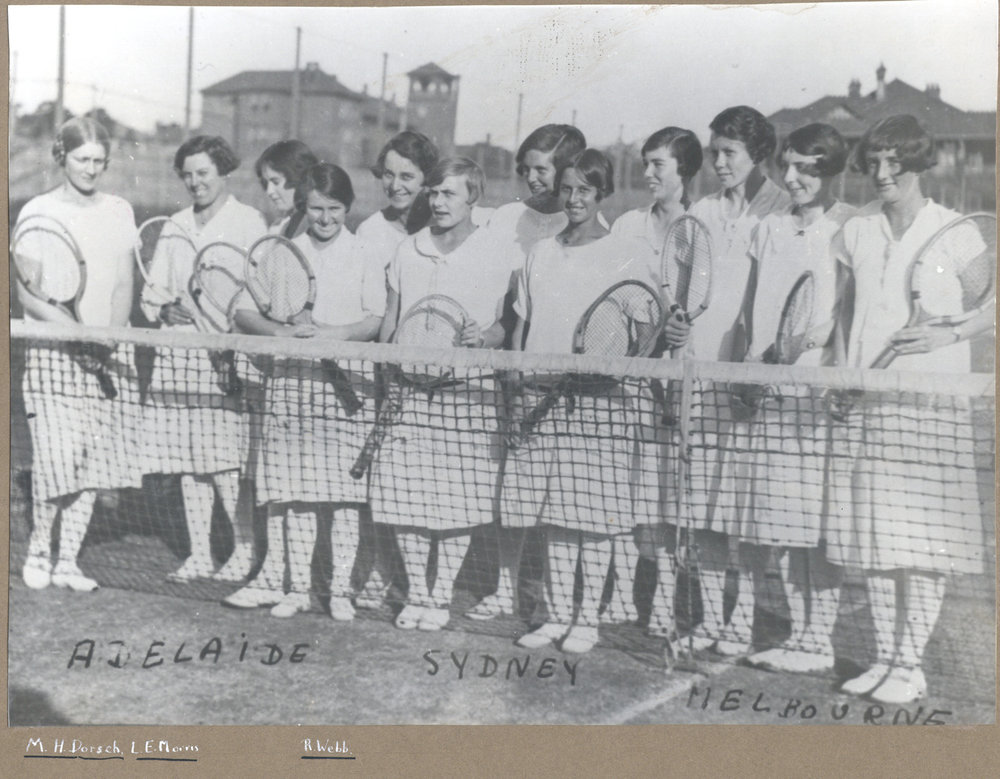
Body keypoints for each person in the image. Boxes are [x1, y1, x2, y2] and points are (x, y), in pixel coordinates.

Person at [826, 115, 992, 703]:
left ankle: (911, 664)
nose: (881, 173)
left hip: (931, 406)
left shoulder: (953, 231)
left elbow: (991, 308)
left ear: (919, 165)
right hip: (869, 401)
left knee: (922, 540)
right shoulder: (857, 230)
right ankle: (883, 657)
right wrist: (843, 375)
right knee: (873, 535)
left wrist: (945, 338)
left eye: (895, 162)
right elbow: (846, 314)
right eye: (873, 161)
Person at [507, 149, 658, 654]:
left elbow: (646, 333)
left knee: (592, 519)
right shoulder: (540, 253)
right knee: (553, 516)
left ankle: (587, 618)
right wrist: (517, 386)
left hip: (601, 405)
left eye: (585, 191)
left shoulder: (629, 253)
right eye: (567, 189)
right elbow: (524, 329)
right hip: (542, 401)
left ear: (602, 195)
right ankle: (552, 614)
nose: (574, 199)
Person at [226, 163, 385, 620]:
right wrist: (279, 333)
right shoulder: (284, 252)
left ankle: (338, 591)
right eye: (316, 208)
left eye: (334, 208)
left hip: (346, 391)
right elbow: (244, 312)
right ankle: (296, 589)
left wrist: (334, 334)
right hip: (290, 387)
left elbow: (375, 319)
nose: (325, 218)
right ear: (305, 207)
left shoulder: (364, 253)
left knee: (342, 498)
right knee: (294, 494)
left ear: (348, 207)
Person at [727, 123, 857, 673]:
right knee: (764, 521)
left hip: (815, 399)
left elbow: (848, 317)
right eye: (790, 165)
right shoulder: (767, 227)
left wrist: (829, 358)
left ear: (831, 172)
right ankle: (789, 632)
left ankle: (816, 639)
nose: (793, 177)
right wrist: (741, 373)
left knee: (815, 526)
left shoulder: (852, 227)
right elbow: (749, 310)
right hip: (764, 392)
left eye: (808, 168)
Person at [660, 106, 790, 655]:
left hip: (754, 383)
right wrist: (674, 323)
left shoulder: (783, 209)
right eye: (713, 153)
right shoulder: (703, 212)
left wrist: (757, 370)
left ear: (757, 154)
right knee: (707, 511)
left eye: (728, 153)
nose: (717, 163)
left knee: (750, 513)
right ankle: (714, 619)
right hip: (702, 379)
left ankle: (744, 621)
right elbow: (683, 289)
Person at [370, 157, 511, 632]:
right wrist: (388, 376)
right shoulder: (408, 250)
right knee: (404, 498)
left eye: (449, 193)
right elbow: (392, 319)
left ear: (474, 197)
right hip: (410, 393)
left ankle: (442, 590)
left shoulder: (497, 251)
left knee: (459, 501)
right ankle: (417, 592)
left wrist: (485, 338)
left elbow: (506, 324)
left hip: (468, 395)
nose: (438, 202)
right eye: (433, 193)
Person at [465, 123, 589, 622]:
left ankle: (556, 592)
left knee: (559, 494)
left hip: (552, 378)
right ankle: (505, 585)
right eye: (527, 168)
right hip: (504, 368)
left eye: (543, 169)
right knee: (508, 487)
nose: (532, 178)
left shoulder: (581, 221)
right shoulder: (505, 219)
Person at [17, 117, 140, 592]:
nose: (90, 169)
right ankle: (39, 550)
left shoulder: (119, 210)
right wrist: (78, 335)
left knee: (91, 463)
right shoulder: (37, 211)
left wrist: (107, 336)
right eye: (81, 159)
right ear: (61, 156)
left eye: (98, 161)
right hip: (54, 356)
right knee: (55, 459)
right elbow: (29, 297)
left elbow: (124, 281)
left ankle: (69, 560)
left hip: (108, 354)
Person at [140, 135, 266, 582]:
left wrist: (231, 344)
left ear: (223, 172)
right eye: (188, 175)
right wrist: (163, 308)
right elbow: (151, 295)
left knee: (225, 465)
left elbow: (260, 294)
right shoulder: (174, 225)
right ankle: (199, 554)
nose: (195, 182)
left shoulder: (248, 222)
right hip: (179, 359)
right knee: (190, 463)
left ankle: (243, 551)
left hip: (226, 361)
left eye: (204, 173)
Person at [607, 126, 703, 625]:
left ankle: (664, 601)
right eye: (645, 163)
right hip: (630, 375)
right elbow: (616, 293)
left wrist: (679, 337)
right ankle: (622, 597)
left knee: (668, 494)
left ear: (683, 170)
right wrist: (645, 335)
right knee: (625, 489)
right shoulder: (626, 226)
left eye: (658, 165)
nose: (647, 173)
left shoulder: (700, 229)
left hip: (679, 380)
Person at [255, 139, 319, 237]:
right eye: (266, 183)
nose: (269, 191)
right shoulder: (278, 226)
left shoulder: (319, 227)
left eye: (276, 182)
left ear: (299, 178)